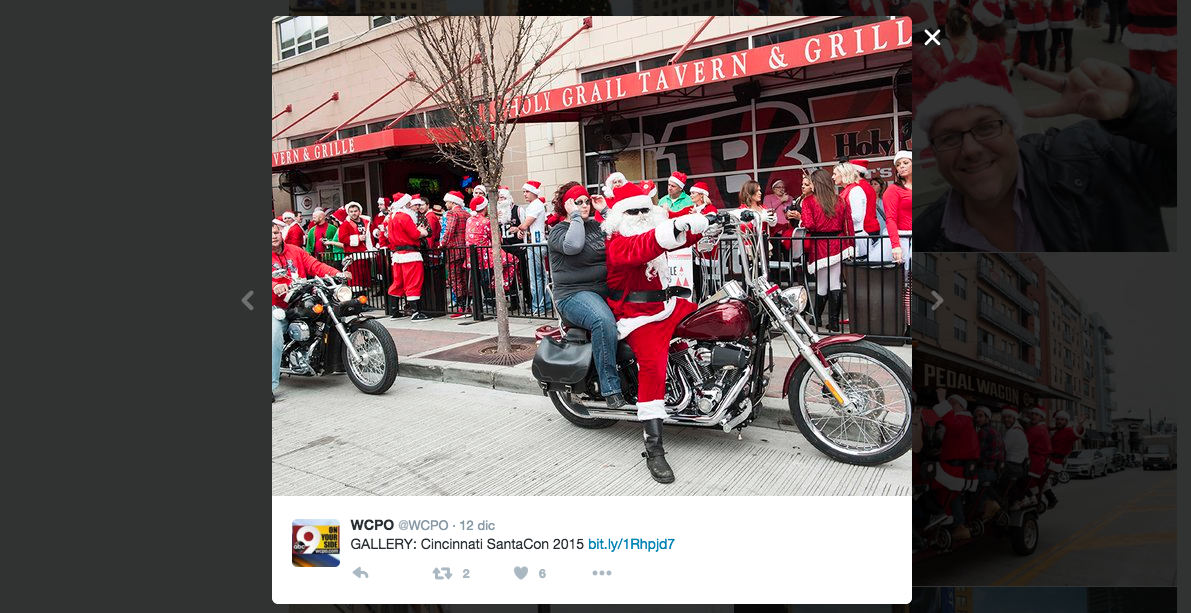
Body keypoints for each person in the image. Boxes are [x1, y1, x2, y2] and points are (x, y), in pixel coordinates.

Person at [914, 59, 1175, 251]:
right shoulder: (926, 238)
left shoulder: (1099, 155)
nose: (970, 149)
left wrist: (1141, 102)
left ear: (1012, 134)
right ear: (935, 155)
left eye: (985, 128)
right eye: (949, 138)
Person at [603, 181, 714, 484]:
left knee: (715, 320)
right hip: (637, 317)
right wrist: (676, 225)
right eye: (633, 210)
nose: (640, 214)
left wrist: (709, 224)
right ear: (619, 215)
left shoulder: (654, 232)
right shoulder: (618, 242)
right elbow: (646, 245)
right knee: (653, 366)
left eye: (644, 209)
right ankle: (654, 448)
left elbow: (676, 239)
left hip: (666, 307)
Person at [548, 184, 627, 410]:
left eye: (586, 201)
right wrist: (574, 217)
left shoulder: (595, 225)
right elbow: (573, 246)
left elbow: (625, 231)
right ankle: (610, 387)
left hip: (604, 288)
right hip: (573, 295)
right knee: (602, 321)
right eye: (577, 202)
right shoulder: (559, 230)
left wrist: (605, 211)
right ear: (567, 204)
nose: (583, 206)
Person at [272, 220, 349, 403]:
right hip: (276, 307)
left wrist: (336, 273)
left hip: (298, 301)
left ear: (281, 233)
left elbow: (315, 265)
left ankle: (335, 360)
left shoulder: (295, 251)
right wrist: (275, 286)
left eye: (275, 232)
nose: (273, 236)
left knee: (331, 312)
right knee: (273, 334)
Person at [800, 170, 855, 333]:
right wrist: (851, 243)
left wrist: (802, 220)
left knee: (822, 283)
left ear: (816, 184)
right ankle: (834, 323)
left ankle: (816, 319)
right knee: (835, 283)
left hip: (820, 244)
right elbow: (848, 224)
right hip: (838, 243)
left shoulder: (809, 201)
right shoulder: (841, 200)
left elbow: (809, 225)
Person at [922, 389, 980, 540]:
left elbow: (953, 425)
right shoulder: (968, 422)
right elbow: (961, 447)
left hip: (953, 471)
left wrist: (942, 400)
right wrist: (941, 452)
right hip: (961, 471)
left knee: (923, 484)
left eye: (953, 403)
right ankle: (947, 518)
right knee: (947, 494)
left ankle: (938, 514)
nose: (950, 405)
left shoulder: (962, 419)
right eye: (949, 403)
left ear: (962, 406)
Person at [465, 195, 517, 313]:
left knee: (484, 275)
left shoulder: (469, 220)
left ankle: (490, 297)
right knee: (512, 260)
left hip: (472, 257)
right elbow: (497, 239)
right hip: (487, 255)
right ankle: (501, 290)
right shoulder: (486, 221)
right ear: (484, 207)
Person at [385, 192, 432, 321]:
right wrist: (422, 232)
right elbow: (414, 234)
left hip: (397, 255)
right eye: (408, 202)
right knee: (413, 282)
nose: (411, 204)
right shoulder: (405, 217)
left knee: (398, 283)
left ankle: (394, 311)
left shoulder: (391, 217)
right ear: (404, 203)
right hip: (410, 254)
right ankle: (416, 313)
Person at [884, 151, 913, 333]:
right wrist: (896, 245)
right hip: (903, 239)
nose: (901, 166)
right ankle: (909, 326)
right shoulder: (893, 190)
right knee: (907, 285)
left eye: (905, 162)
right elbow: (890, 219)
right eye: (898, 164)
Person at [514, 180, 551, 316]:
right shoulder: (535, 205)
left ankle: (538, 307)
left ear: (534, 192)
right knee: (540, 276)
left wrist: (517, 228)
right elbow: (527, 226)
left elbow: (525, 224)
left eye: (527, 191)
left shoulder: (536, 205)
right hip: (535, 243)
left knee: (536, 277)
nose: (525, 194)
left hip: (535, 245)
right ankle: (545, 305)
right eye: (524, 191)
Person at [1124, 0, 1176, 86]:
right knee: (1169, 74)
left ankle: (1143, 98)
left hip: (1139, 33)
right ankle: (1170, 98)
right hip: (1168, 34)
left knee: (1139, 74)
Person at [1043, 409, 1087, 508]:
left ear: (1066, 421)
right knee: (1040, 480)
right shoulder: (1051, 430)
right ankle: (1050, 498)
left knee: (1037, 479)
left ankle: (1045, 499)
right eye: (1058, 419)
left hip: (1054, 462)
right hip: (1046, 460)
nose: (1059, 421)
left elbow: (1076, 432)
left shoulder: (1068, 431)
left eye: (1062, 419)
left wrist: (1080, 423)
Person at [834, 160, 877, 260]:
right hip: (854, 234)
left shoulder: (856, 189)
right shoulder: (850, 189)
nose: (833, 177)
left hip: (858, 233)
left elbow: (857, 216)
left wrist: (835, 218)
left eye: (835, 174)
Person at [972, 405, 1005, 520]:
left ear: (988, 418)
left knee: (967, 484)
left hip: (985, 471)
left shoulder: (983, 432)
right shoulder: (996, 431)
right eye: (976, 417)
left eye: (981, 416)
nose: (978, 419)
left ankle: (982, 508)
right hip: (995, 472)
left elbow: (978, 456)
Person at [441, 190, 471, 317]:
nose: (446, 204)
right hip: (465, 249)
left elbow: (449, 231)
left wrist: (442, 244)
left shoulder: (452, 214)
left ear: (452, 201)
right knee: (463, 278)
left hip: (454, 250)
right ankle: (466, 306)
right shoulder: (466, 213)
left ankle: (461, 307)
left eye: (447, 201)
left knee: (455, 279)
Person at [337, 201, 375, 294]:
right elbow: (342, 238)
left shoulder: (366, 222)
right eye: (351, 211)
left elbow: (372, 234)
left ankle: (364, 301)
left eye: (355, 211)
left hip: (365, 254)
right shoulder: (345, 224)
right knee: (356, 279)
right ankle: (358, 300)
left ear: (359, 212)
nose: (353, 213)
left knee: (365, 278)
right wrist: (357, 238)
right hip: (353, 256)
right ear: (348, 213)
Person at [1021, 406, 1053, 509]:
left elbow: (1023, 442)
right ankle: (1046, 498)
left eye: (1037, 415)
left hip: (1033, 462)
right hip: (1040, 461)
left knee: (1027, 481)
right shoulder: (1042, 428)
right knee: (1036, 481)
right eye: (1033, 414)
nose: (1034, 416)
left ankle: (1034, 499)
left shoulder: (1036, 430)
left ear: (1042, 417)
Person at [1000, 406, 1030, 500]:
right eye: (1004, 417)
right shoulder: (1019, 429)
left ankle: (1020, 499)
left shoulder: (1013, 432)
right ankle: (1029, 497)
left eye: (1009, 417)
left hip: (1012, 466)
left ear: (1014, 418)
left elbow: (1001, 448)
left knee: (996, 479)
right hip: (1020, 466)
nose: (1006, 419)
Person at [1015, 1, 1051, 76]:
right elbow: (1047, 4)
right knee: (1041, 48)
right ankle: (1042, 71)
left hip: (1024, 22)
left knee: (1024, 49)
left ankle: (1025, 74)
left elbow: (1013, 4)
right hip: (1040, 21)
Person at [1048, 0, 1079, 73]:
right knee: (1068, 43)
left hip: (1055, 19)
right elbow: (1080, 3)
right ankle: (1068, 66)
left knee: (1054, 42)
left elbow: (1047, 4)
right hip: (1068, 19)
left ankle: (1052, 65)